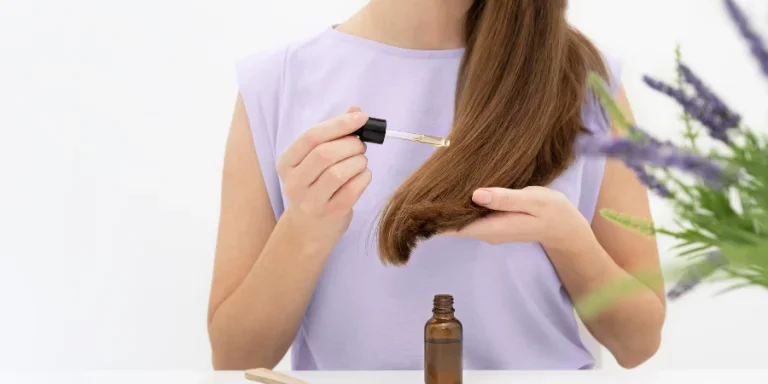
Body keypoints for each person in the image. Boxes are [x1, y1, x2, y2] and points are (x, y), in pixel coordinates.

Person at [206, 0, 666, 371]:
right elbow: (236, 357)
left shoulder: (590, 81)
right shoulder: (276, 83)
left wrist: (568, 239)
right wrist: (306, 226)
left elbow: (638, 342)